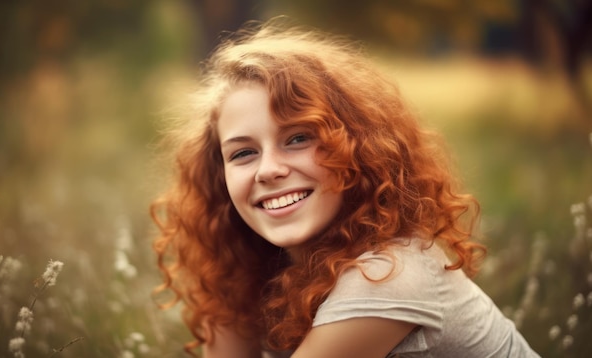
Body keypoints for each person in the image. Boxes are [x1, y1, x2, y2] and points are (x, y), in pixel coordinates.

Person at [151, 18, 539, 358]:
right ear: (220, 177)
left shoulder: (388, 273)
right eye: (243, 153)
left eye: (299, 138)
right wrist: (229, 282)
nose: (267, 170)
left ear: (357, 148)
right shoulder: (256, 263)